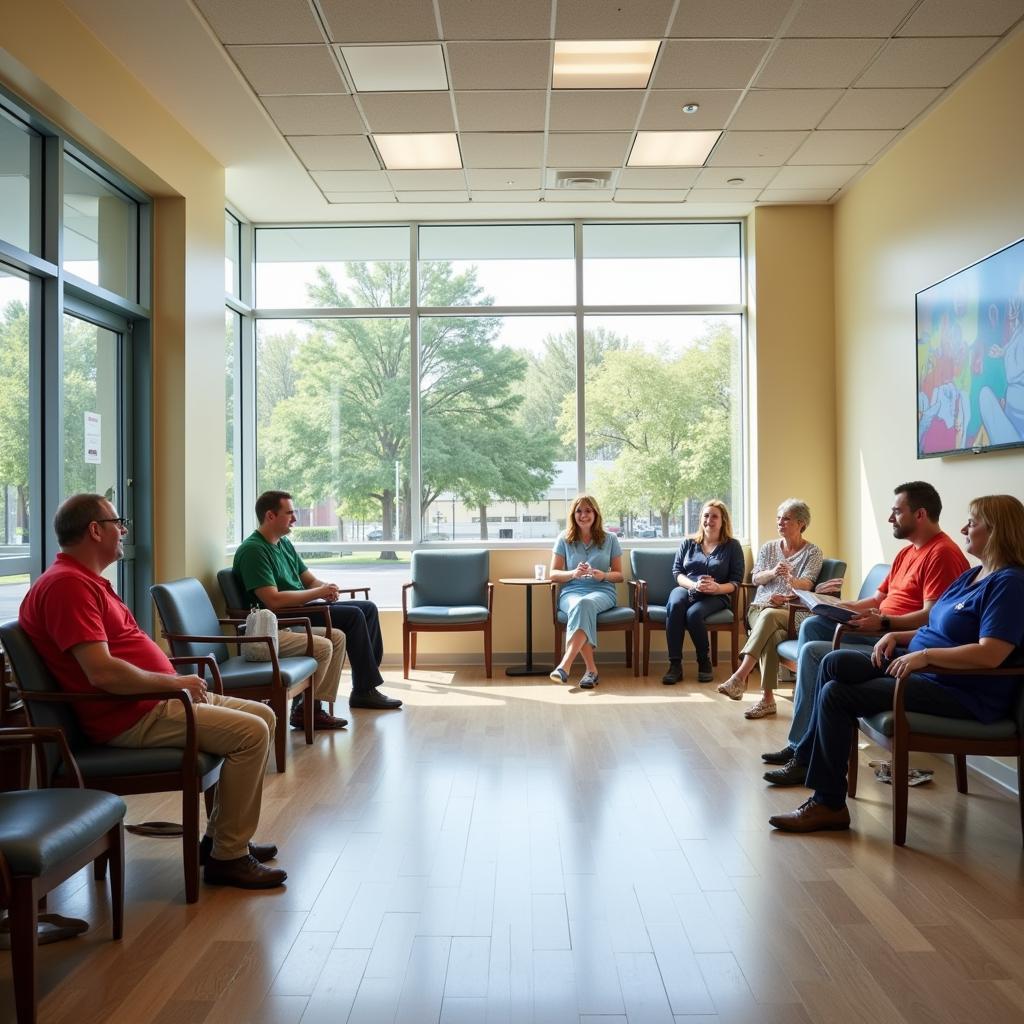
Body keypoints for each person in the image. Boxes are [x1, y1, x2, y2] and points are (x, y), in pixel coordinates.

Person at [18, 494, 286, 888]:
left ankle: (219, 840)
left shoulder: (84, 581)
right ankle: (228, 858)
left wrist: (171, 685)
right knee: (252, 733)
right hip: (132, 714)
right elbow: (103, 673)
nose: (123, 530)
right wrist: (175, 683)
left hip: (155, 701)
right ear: (95, 530)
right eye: (117, 522)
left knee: (264, 714)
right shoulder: (67, 587)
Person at [767, 494, 1024, 833]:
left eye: (972, 523)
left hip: (955, 686)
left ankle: (828, 803)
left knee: (836, 694)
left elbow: (990, 653)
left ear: (996, 532)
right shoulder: (973, 576)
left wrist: (924, 655)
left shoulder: (1010, 584)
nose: (963, 528)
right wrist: (897, 637)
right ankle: (807, 761)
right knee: (833, 662)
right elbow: (934, 625)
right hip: (918, 667)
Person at [762, 481, 968, 768]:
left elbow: (931, 617)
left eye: (897, 511)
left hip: (893, 636)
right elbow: (877, 597)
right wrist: (835, 604)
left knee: (810, 652)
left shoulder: (941, 553)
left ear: (919, 514)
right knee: (813, 625)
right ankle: (800, 743)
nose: (890, 518)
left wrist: (883, 622)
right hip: (876, 626)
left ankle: (804, 752)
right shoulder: (907, 552)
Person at [234, 491, 402, 714]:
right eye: (290, 513)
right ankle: (362, 691)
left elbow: (310, 580)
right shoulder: (254, 550)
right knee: (353, 616)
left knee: (368, 608)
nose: (295, 519)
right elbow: (273, 601)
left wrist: (325, 589)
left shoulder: (283, 544)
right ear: (270, 516)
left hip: (301, 608)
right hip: (283, 616)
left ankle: (365, 685)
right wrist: (316, 593)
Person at [717, 499, 832, 718]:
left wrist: (790, 581)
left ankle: (741, 677)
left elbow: (807, 584)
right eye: (779, 518)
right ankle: (766, 700)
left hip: (794, 612)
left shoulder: (813, 552)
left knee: (770, 619)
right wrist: (772, 572)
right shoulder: (769, 547)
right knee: (772, 631)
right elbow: (756, 578)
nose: (780, 523)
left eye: (786, 519)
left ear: (801, 523)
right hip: (759, 607)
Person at [661, 500, 744, 684]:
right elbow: (677, 572)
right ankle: (675, 665)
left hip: (717, 595)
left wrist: (717, 588)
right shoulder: (689, 543)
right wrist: (692, 585)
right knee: (675, 604)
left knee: (693, 614)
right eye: (706, 516)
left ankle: (703, 661)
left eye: (714, 516)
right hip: (688, 588)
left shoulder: (732, 546)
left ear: (723, 521)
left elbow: (736, 581)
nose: (709, 520)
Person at [548, 494, 623, 689]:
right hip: (572, 591)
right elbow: (553, 574)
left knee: (585, 604)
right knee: (581, 605)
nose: (583, 515)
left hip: (603, 591)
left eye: (588, 511)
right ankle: (591, 670)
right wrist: (573, 573)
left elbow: (619, 575)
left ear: (595, 513)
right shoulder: (564, 538)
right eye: (579, 511)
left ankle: (565, 664)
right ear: (573, 514)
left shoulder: (611, 539)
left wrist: (603, 576)